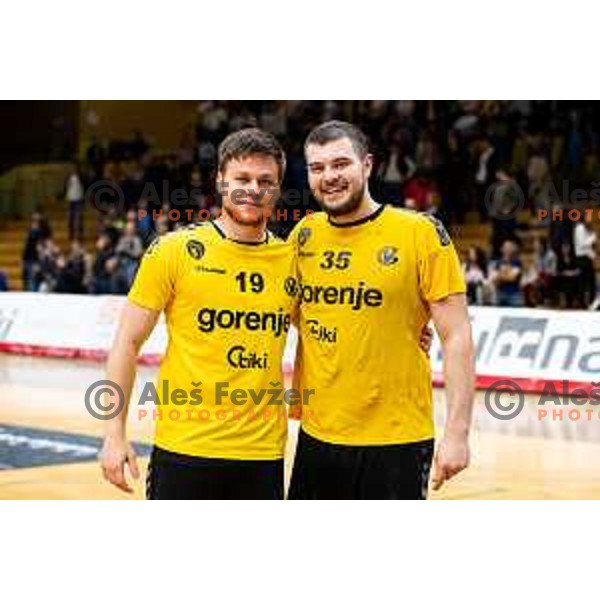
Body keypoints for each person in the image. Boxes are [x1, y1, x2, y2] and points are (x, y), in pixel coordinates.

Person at [99, 128, 298, 500]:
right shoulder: (173, 251)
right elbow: (126, 342)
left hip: (262, 456)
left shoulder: (293, 261)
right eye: (242, 178)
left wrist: (412, 330)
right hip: (184, 450)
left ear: (278, 188)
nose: (253, 189)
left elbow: (331, 324)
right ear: (220, 181)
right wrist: (114, 434)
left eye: (265, 181)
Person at [288, 121, 475, 500]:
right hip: (317, 436)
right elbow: (291, 315)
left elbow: (456, 336)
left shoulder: (419, 232)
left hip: (397, 440)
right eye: (317, 167)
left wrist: (457, 433)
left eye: (341, 164)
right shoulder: (303, 235)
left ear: (368, 165)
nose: (329, 176)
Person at [490, 240, 523, 307]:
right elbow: (494, 280)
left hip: (514, 294)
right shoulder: (498, 263)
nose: (507, 250)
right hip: (500, 293)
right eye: (505, 247)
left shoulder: (517, 263)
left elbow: (512, 278)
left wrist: (501, 274)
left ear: (512, 250)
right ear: (502, 249)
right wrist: (507, 273)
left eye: (509, 248)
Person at [573, 217, 597, 308]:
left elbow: (588, 248)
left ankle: (590, 302)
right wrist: (592, 238)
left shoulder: (585, 229)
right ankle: (583, 303)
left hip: (587, 258)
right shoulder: (580, 228)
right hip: (582, 259)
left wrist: (593, 255)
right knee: (584, 282)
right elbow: (582, 244)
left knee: (590, 282)